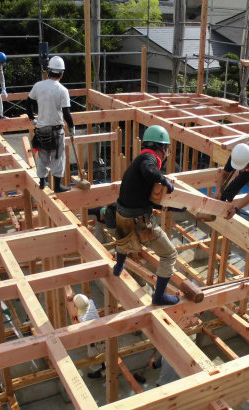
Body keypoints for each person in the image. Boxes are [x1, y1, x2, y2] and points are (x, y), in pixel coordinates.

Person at [113, 124, 179, 306]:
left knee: (124, 239)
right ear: (163, 147)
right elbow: (149, 171)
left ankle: (119, 266)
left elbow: (142, 191)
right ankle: (159, 297)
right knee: (169, 255)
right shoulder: (149, 159)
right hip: (139, 220)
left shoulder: (140, 159)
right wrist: (163, 179)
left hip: (122, 214)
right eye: (166, 149)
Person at [26, 55, 74, 193]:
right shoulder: (62, 90)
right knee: (58, 157)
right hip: (56, 131)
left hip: (41, 130)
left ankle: (42, 182)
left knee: (42, 156)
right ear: (61, 73)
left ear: (49, 71)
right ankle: (57, 186)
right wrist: (72, 127)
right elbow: (66, 113)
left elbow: (28, 103)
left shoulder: (38, 86)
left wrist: (32, 119)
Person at [70, 294, 106, 379]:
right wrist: (74, 298)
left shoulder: (83, 318)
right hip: (102, 332)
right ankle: (104, 365)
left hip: (93, 337)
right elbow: (83, 300)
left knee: (93, 355)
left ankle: (99, 372)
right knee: (103, 350)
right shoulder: (91, 302)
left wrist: (75, 322)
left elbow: (80, 328)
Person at [0, 52, 8, 120]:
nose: (1, 65)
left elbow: (1, 77)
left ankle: (0, 116)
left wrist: (3, 88)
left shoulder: (0, 67)